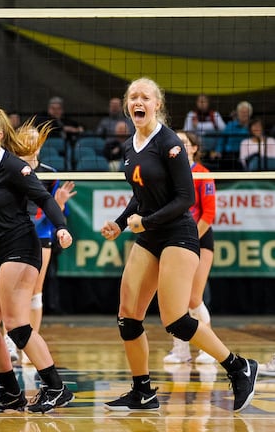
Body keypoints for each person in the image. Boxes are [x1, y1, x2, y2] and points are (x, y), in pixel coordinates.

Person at [101, 77, 257, 412]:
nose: (137, 101)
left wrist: (146, 221)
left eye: (145, 97)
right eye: (132, 97)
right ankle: (142, 390)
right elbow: (140, 196)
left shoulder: (169, 142)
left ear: (157, 104)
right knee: (127, 317)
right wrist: (119, 221)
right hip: (150, 234)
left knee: (176, 319)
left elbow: (185, 198)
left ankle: (239, 367)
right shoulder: (131, 145)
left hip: (178, 234)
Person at [0, 109, 75, 414]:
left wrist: (62, 227)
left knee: (16, 326)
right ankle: (10, 393)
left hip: (21, 247)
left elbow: (45, 199)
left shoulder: (14, 167)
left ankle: (57, 388)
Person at [12, 125, 76, 364]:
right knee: (8, 290)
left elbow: (58, 214)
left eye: (34, 139)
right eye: (25, 138)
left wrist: (59, 203)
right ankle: (10, 342)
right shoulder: (11, 169)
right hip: (14, 236)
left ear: (40, 144)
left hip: (41, 237)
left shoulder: (50, 174)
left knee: (34, 292)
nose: (30, 143)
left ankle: (30, 344)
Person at [163, 131, 216, 365]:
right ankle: (181, 351)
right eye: (177, 142)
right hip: (174, 239)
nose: (180, 146)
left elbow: (209, 214)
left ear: (194, 148)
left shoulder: (203, 174)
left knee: (194, 297)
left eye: (185, 143)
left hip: (199, 238)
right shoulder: (168, 172)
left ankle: (208, 349)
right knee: (177, 299)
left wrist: (190, 237)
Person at [182, 93, 226, 159]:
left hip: (213, 146)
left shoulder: (215, 114)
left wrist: (198, 125)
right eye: (200, 101)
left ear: (208, 103)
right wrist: (210, 127)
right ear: (196, 103)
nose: (202, 103)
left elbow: (224, 129)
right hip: (197, 146)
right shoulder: (191, 114)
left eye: (204, 101)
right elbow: (186, 131)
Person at [212, 101, 252, 169]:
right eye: (242, 112)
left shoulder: (253, 126)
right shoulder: (230, 125)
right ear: (238, 113)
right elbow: (222, 140)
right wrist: (218, 151)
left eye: (246, 112)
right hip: (230, 155)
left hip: (248, 155)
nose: (244, 114)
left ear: (250, 114)